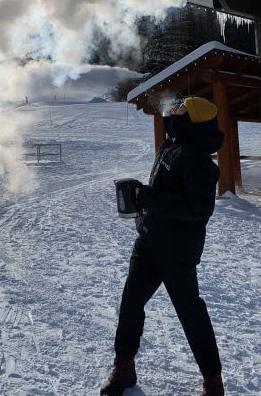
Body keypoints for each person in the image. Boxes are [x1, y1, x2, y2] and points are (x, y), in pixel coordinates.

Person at [100, 96, 225, 396]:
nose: (177, 107)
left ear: (193, 117)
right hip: (150, 239)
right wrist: (142, 200)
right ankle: (125, 366)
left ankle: (213, 381)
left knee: (190, 313)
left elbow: (197, 209)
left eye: (183, 106)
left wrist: (148, 198)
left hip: (178, 251)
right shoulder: (172, 144)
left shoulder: (202, 163)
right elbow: (162, 189)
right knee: (131, 302)